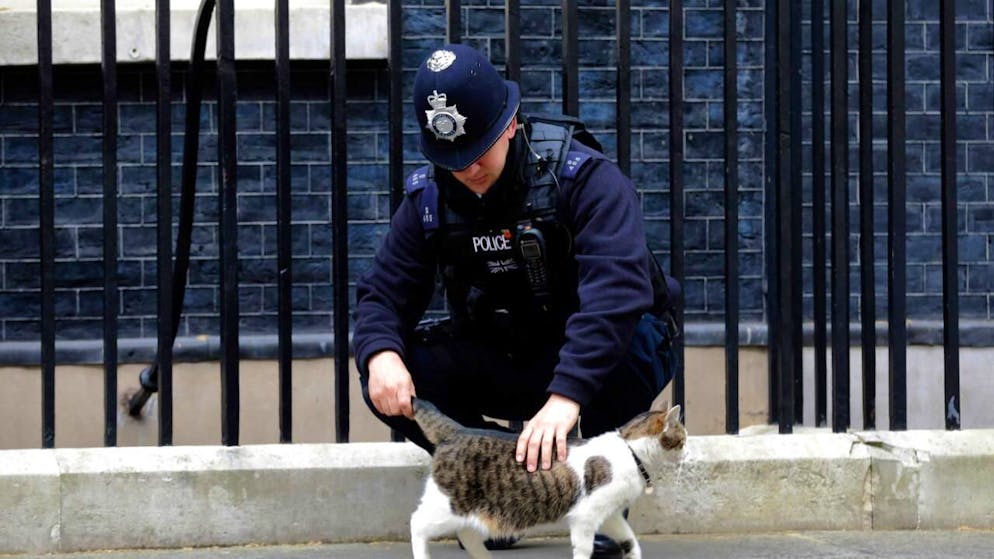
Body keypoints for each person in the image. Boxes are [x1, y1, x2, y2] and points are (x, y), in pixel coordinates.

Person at [352, 44, 680, 556]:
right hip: (510, 348)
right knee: (394, 368)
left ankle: (594, 495)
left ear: (509, 125)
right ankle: (504, 491)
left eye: (478, 151)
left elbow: (617, 292)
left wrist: (566, 397)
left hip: (594, 360)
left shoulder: (583, 178)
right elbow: (382, 294)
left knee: (633, 337)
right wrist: (380, 354)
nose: (468, 170)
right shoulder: (429, 200)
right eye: (452, 158)